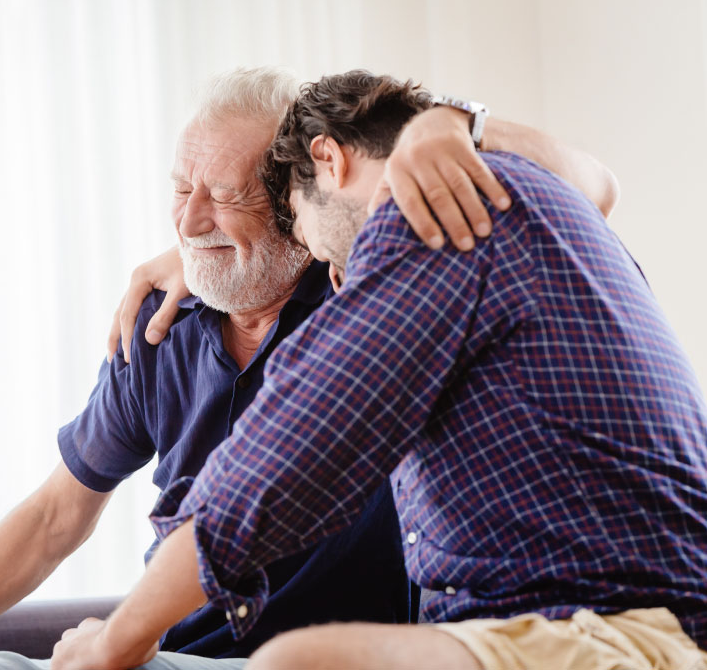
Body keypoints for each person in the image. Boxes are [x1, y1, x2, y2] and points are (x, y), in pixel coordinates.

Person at [0, 67, 619, 670]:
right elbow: (54, 517)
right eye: (180, 189)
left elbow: (593, 186)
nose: (188, 217)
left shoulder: (366, 289)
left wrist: (453, 126)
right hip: (166, 654)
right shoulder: (160, 329)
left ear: (294, 201)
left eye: (223, 195)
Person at [51, 71, 707, 670]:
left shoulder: (420, 216)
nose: (339, 280)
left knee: (299, 663)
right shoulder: (529, 184)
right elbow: (603, 183)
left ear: (328, 159)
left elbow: (270, 467)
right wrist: (450, 120)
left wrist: (114, 642)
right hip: (615, 609)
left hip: (614, 628)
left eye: (312, 244)